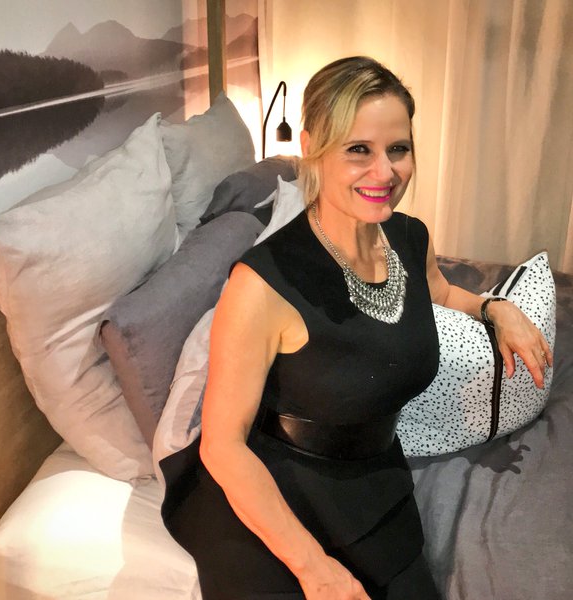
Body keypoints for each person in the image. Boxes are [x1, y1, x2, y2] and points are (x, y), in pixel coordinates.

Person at [160, 56, 553, 600]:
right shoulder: (262, 284)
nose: (385, 173)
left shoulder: (409, 238)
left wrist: (496, 308)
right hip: (274, 502)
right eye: (358, 150)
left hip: (374, 480)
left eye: (398, 149)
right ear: (312, 147)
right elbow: (223, 446)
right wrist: (314, 569)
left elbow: (439, 293)